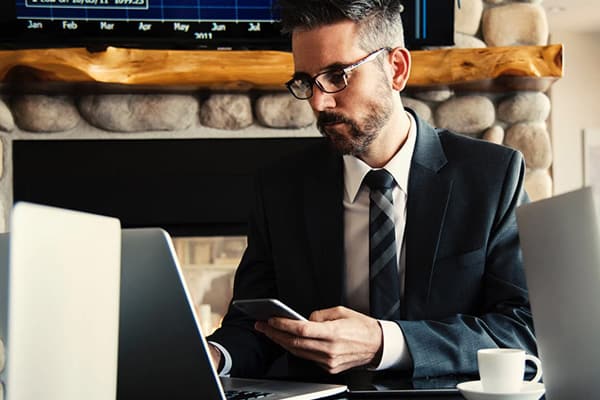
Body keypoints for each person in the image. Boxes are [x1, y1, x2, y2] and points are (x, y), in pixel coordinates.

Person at [206, 0, 536, 380]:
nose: (319, 101)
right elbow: (254, 326)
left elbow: (523, 328)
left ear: (396, 69)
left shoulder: (492, 177)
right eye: (305, 82)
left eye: (337, 75)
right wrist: (213, 355)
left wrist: (385, 342)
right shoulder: (279, 188)